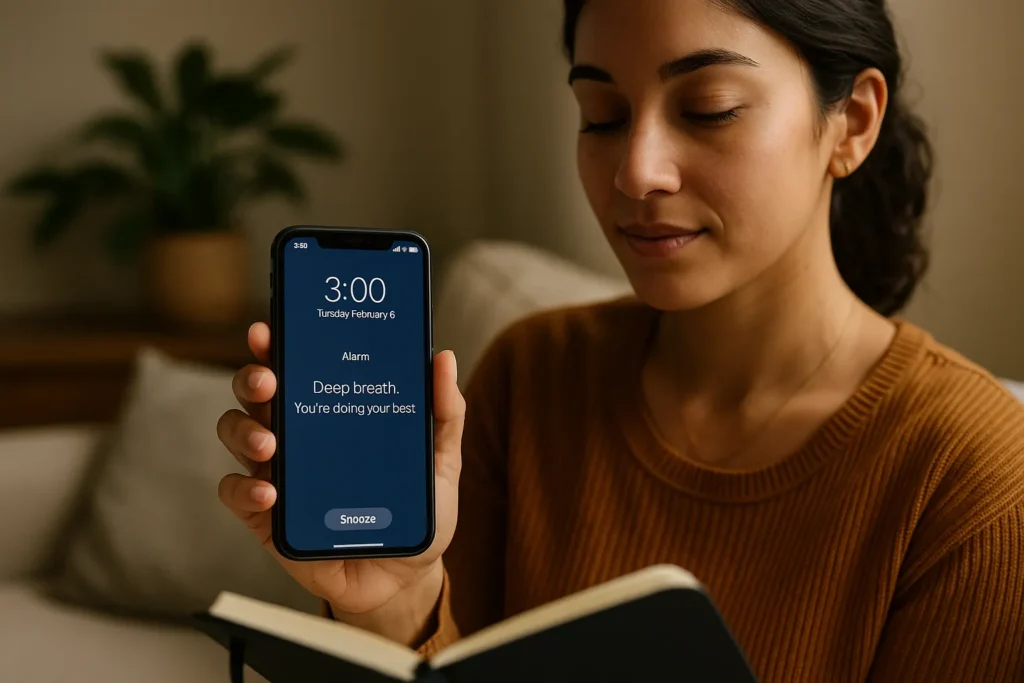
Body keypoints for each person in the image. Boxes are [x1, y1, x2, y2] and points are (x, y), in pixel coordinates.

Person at [215, 1, 1024, 680]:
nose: (636, 172)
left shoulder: (973, 475)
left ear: (851, 121)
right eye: (601, 115)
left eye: (707, 107)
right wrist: (393, 600)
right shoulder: (535, 374)